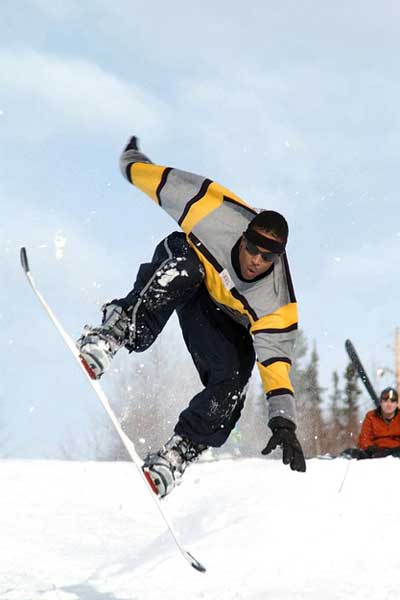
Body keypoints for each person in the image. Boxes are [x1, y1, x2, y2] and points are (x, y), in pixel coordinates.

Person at [77, 136, 306, 497]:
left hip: (221, 320)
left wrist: (284, 420)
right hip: (188, 271)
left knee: (234, 379)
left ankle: (180, 451)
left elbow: (275, 365)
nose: (255, 261)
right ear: (244, 236)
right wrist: (132, 161)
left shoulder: (277, 302)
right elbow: (160, 182)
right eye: (252, 248)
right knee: (184, 265)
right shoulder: (214, 209)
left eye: (267, 257)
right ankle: (117, 331)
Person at [356, 387, 400, 458]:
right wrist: (372, 449)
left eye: (392, 401)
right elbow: (364, 438)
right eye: (385, 401)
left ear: (396, 404)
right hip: (375, 452)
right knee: (351, 453)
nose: (389, 404)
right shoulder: (371, 416)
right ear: (381, 403)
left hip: (397, 452)